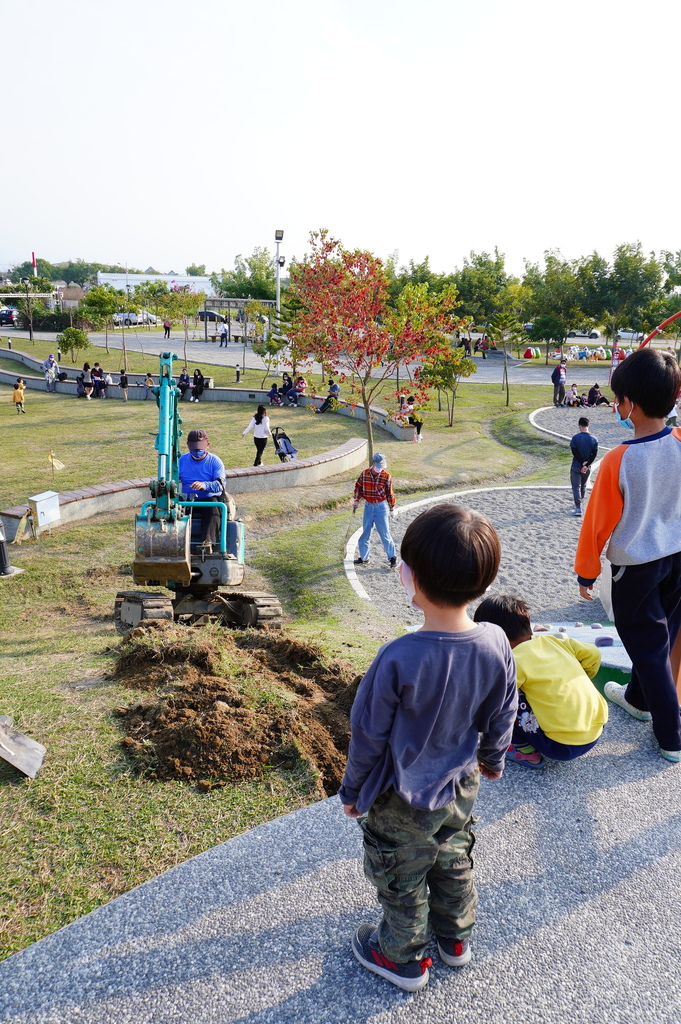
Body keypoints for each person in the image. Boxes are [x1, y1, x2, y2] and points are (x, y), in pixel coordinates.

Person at [340, 503, 516, 990]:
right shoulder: (497, 641)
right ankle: (455, 940)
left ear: (409, 578)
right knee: (453, 852)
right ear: (483, 580)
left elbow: (368, 736)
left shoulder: (398, 658)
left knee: (400, 872)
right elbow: (503, 708)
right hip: (462, 781)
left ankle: (402, 957)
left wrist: (353, 791)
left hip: (403, 794)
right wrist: (494, 758)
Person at [575, 347, 681, 763]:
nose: (616, 407)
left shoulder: (620, 458)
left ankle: (671, 735)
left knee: (649, 645)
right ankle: (637, 699)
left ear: (630, 405)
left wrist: (586, 573)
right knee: (662, 636)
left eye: (618, 400)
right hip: (676, 555)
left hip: (636, 567)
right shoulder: (679, 442)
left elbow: (596, 525)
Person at [474, 595, 607, 767]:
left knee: (503, 699)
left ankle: (524, 751)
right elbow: (593, 653)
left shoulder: (513, 661)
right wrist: (581, 674)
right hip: (597, 728)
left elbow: (492, 701)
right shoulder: (552, 641)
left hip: (561, 746)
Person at [178, 428, 228, 549]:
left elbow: (221, 485)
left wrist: (205, 485)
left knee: (213, 509)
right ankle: (176, 543)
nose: (197, 450)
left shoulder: (215, 461)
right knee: (174, 510)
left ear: (207, 445)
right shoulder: (181, 461)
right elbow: (172, 480)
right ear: (188, 446)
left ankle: (207, 542)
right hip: (188, 500)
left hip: (208, 499)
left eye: (200, 447)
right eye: (194, 447)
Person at [353, 452, 397, 568]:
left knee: (385, 534)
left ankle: (392, 558)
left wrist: (392, 508)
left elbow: (389, 494)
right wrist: (357, 500)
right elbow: (358, 487)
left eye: (381, 467)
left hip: (381, 508)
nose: (379, 469)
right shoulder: (364, 474)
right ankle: (364, 558)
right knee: (365, 533)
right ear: (373, 464)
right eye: (377, 466)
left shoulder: (386, 476)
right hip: (368, 507)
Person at [569, 416, 598, 516]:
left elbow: (574, 452)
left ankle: (578, 508)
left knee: (576, 486)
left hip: (576, 465)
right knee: (583, 486)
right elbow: (594, 454)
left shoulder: (575, 438)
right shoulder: (594, 439)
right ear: (589, 426)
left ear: (580, 426)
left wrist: (582, 463)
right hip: (587, 467)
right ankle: (580, 503)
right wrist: (587, 464)